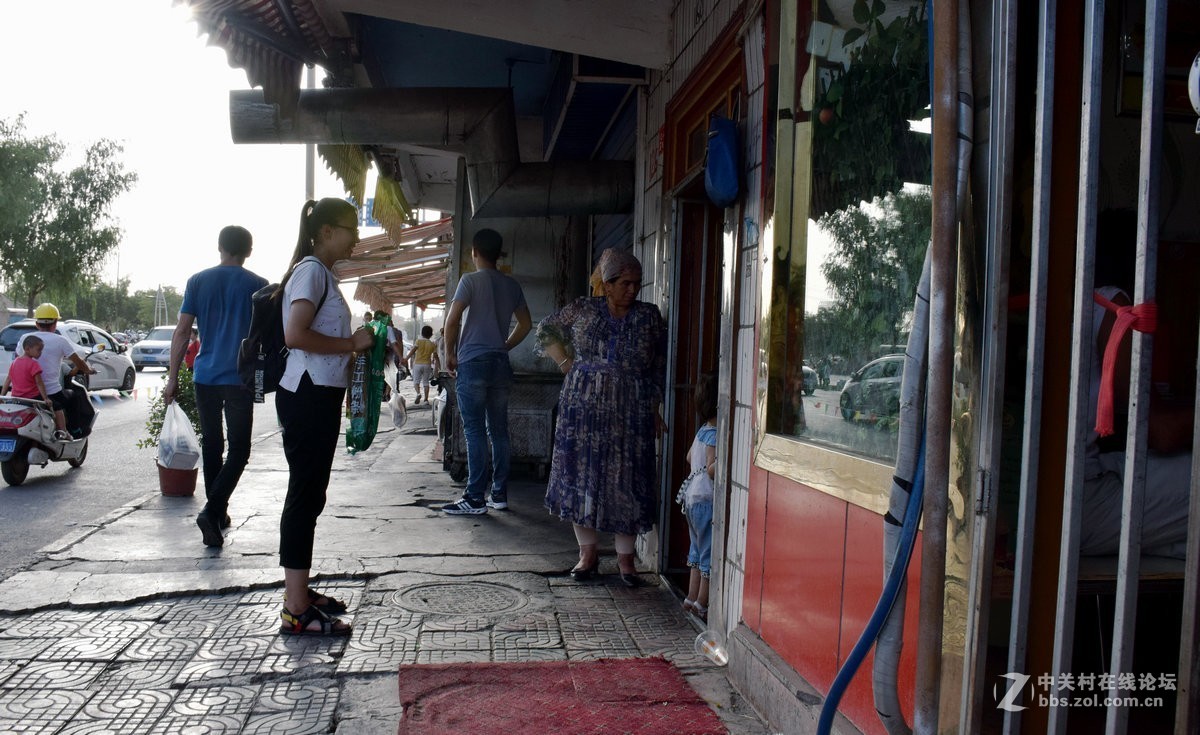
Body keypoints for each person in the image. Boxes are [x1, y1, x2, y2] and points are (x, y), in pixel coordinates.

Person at [539, 248, 668, 586]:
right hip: (581, 407)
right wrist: (566, 363)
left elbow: (657, 366)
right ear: (607, 284)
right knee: (581, 476)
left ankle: (627, 561)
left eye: (637, 284)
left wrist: (655, 407)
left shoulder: (648, 316)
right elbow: (545, 330)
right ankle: (588, 554)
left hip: (631, 409)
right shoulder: (584, 308)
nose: (632, 290)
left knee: (626, 480)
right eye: (625, 283)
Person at [276, 198, 374, 637]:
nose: (356, 238)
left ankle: (300, 590)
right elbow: (295, 334)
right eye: (351, 230)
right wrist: (352, 345)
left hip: (318, 393)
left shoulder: (321, 274)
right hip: (307, 394)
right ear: (328, 231)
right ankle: (295, 608)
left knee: (312, 494)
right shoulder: (313, 271)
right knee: (304, 494)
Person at [164, 225, 269, 548]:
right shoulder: (260, 286)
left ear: (219, 247)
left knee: (213, 445)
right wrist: (264, 385)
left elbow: (182, 332)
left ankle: (217, 512)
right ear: (249, 251)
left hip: (205, 376)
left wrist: (171, 379)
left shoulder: (198, 281)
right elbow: (265, 341)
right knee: (239, 449)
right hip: (240, 379)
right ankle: (213, 511)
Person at [441, 228, 532, 515]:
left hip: (473, 362)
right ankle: (499, 493)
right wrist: (504, 346)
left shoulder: (470, 281)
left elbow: (452, 321)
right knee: (499, 431)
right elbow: (526, 324)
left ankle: (475, 497)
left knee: (475, 430)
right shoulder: (511, 285)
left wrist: (450, 354)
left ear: (474, 252)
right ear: (498, 253)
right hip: (499, 363)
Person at [16, 303, 95, 437]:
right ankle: (74, 430)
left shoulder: (25, 339)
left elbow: (19, 360)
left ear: (37, 323)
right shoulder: (61, 341)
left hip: (24, 393)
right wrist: (88, 370)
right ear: (55, 323)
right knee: (73, 397)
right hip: (51, 392)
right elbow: (78, 362)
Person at [679, 373, 718, 620]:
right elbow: (713, 469)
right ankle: (702, 604)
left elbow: (689, 458)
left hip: (690, 500)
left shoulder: (702, 431)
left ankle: (690, 598)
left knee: (695, 551)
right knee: (708, 555)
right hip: (706, 500)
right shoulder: (715, 434)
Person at [1, 335, 71, 441]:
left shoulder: (14, 362)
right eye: (39, 350)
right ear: (27, 349)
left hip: (16, 398)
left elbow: (8, 380)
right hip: (33, 398)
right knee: (57, 406)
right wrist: (46, 398)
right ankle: (63, 431)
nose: (40, 353)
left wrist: (3, 395)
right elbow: (39, 383)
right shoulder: (34, 364)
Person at [405, 325, 438, 404]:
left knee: (416, 381)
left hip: (417, 364)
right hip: (427, 364)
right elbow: (436, 356)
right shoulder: (432, 344)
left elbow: (413, 351)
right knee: (426, 382)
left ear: (422, 333)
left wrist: (406, 359)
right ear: (431, 334)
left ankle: (418, 393)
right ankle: (426, 400)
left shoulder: (418, 341)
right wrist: (438, 366)